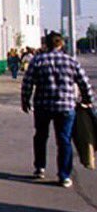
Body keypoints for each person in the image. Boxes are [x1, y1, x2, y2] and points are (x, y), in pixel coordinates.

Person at [21, 32, 94, 187]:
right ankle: (64, 175)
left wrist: (25, 100)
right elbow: (84, 83)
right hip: (66, 106)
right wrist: (88, 101)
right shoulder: (71, 61)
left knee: (41, 136)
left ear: (46, 44)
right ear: (61, 44)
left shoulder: (37, 61)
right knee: (64, 140)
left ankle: (40, 167)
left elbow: (28, 82)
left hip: (43, 105)